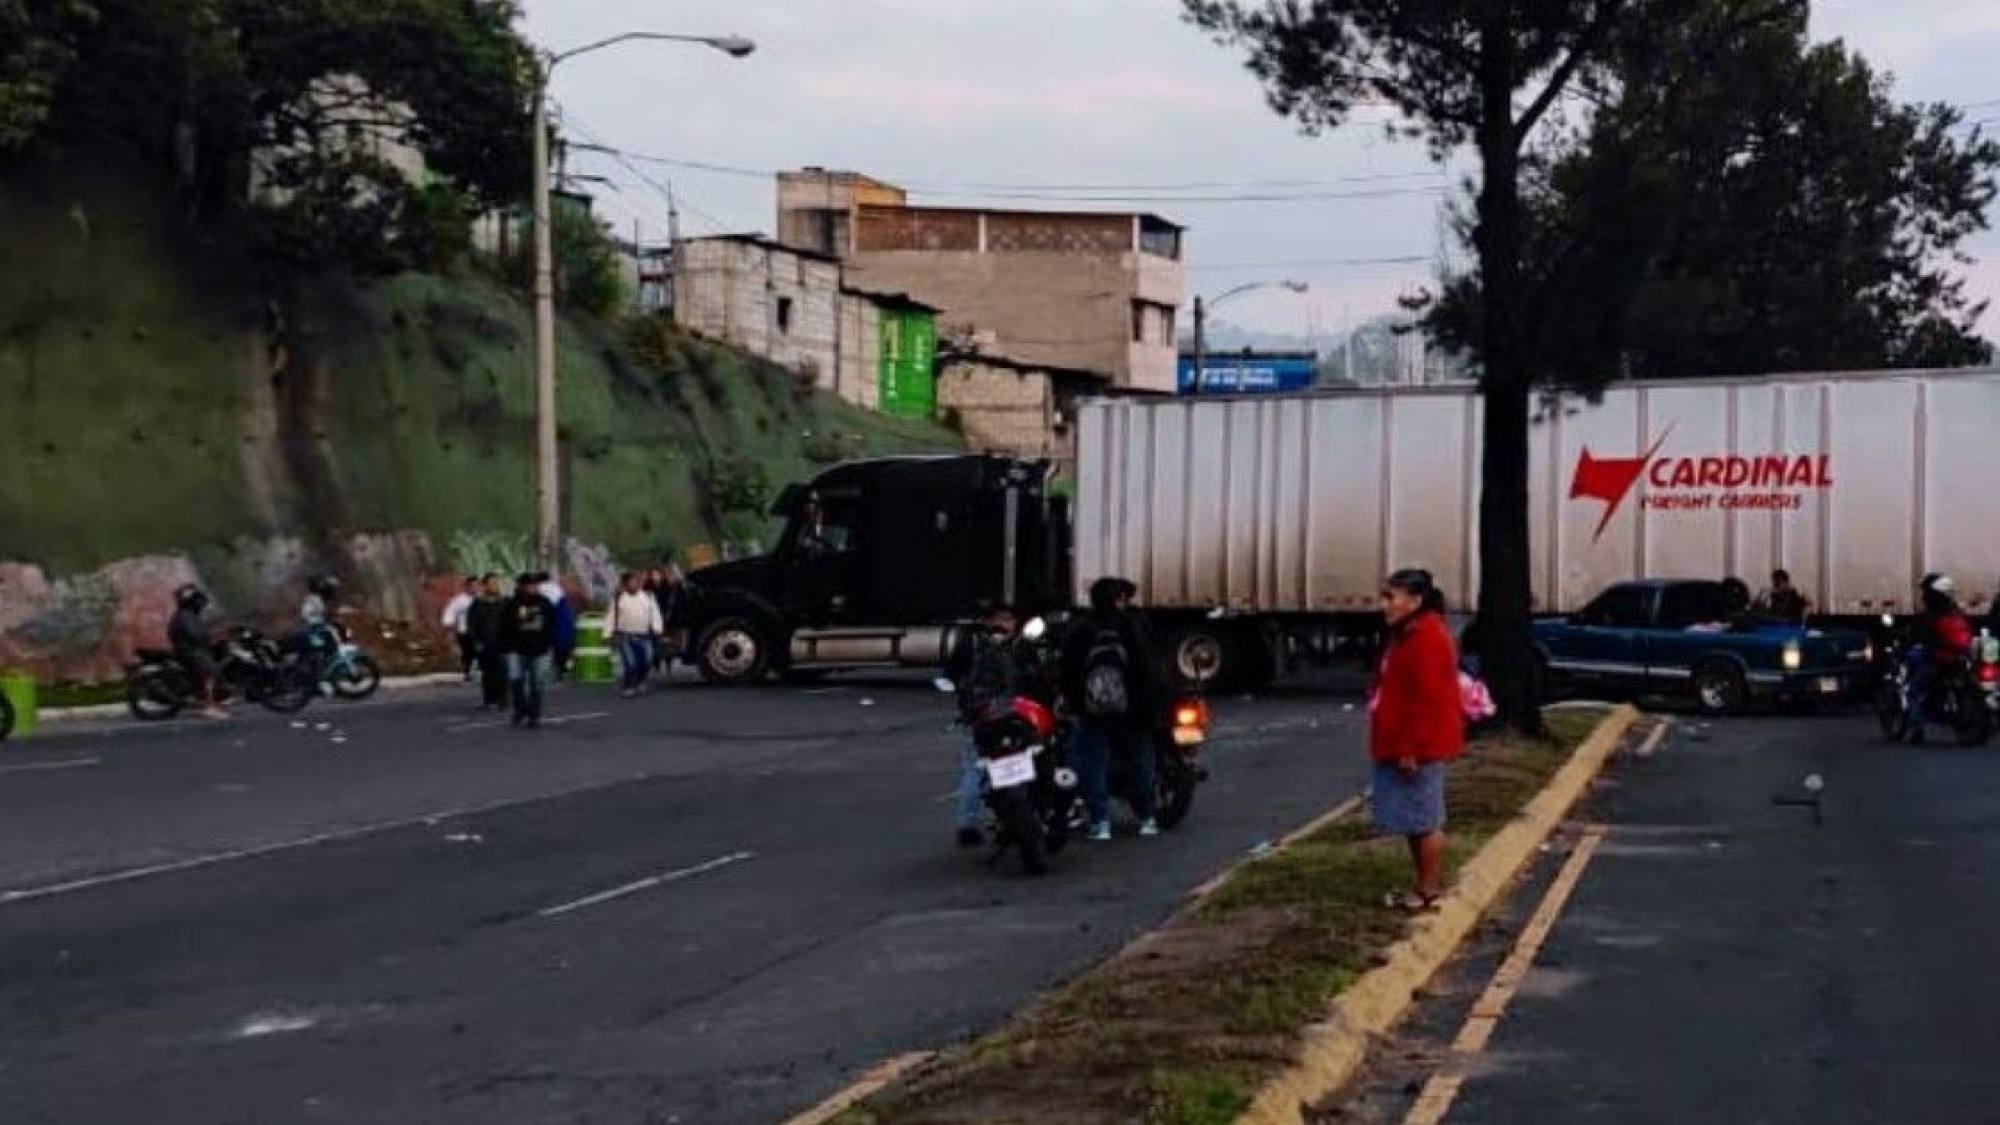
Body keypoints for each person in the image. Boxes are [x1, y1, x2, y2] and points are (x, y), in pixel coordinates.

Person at [1370, 568, 1465, 912]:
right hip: (1402, 741)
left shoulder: (1427, 638)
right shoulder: (1408, 634)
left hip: (1418, 746)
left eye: (1391, 597)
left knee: (1424, 820)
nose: (1384, 605)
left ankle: (1428, 889)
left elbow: (1425, 700)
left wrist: (1409, 748)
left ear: (1414, 600)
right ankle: (1424, 885)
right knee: (1413, 819)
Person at [1060, 576, 1162, 842]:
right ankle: (1146, 818)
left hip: (1093, 709)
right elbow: (1150, 667)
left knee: (1093, 761)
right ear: (1120, 599)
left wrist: (1077, 703)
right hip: (1134, 708)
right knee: (1140, 761)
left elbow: (1069, 669)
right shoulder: (1134, 625)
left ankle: (1100, 821)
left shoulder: (1082, 628)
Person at [944, 603, 1027, 848]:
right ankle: (1012, 819)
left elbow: (952, 674)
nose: (1006, 624)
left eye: (1009, 619)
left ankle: (969, 823)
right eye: (1002, 619)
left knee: (975, 768)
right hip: (1010, 714)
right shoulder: (1017, 646)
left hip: (977, 714)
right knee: (1014, 763)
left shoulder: (971, 643)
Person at [1907, 572, 1974, 745]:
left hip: (1936, 659)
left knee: (1913, 692)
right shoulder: (1955, 611)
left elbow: (1917, 635)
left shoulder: (1931, 614)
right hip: (1958, 659)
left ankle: (1917, 730)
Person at [501, 572, 558, 728]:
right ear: (521, 586)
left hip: (539, 650)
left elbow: (552, 624)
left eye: (535, 585)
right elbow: (504, 627)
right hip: (516, 650)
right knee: (516, 681)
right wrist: (507, 647)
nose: (533, 587)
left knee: (537, 684)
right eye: (530, 585)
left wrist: (549, 644)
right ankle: (520, 711)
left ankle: (534, 715)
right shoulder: (512, 604)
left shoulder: (544, 603)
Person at [167, 584, 227, 720]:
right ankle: (209, 708)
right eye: (198, 602)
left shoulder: (189, 615)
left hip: (194, 649)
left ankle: (211, 700)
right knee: (209, 673)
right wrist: (210, 637)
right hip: (190, 651)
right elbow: (195, 634)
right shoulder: (184, 616)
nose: (201, 605)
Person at [609, 571, 665, 698]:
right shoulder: (619, 598)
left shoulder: (648, 596)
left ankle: (640, 681)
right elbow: (612, 615)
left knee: (647, 660)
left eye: (636, 581)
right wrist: (608, 633)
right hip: (625, 636)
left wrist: (657, 628)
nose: (635, 584)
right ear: (626, 584)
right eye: (631, 581)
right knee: (631, 663)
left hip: (644, 636)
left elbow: (655, 613)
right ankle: (628, 686)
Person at [466, 573, 509, 711]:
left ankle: (503, 700)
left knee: (503, 672)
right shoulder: (478, 604)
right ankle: (489, 700)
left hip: (503, 644)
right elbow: (471, 624)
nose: (495, 586)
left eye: (497, 583)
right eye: (492, 583)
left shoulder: (506, 602)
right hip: (485, 644)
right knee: (488, 673)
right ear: (485, 586)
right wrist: (475, 641)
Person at [538, 572, 578, 680]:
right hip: (565, 620)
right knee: (564, 646)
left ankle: (558, 670)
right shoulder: (556, 588)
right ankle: (563, 669)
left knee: (556, 646)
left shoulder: (542, 588)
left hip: (556, 621)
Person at [441, 576, 479, 681]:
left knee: (477, 651)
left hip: (478, 631)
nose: (474, 588)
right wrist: (448, 626)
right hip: (464, 630)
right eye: (472, 586)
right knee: (468, 652)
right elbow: (450, 611)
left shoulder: (480, 599)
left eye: (476, 586)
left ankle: (474, 670)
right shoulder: (459, 600)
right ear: (467, 587)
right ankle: (467, 672)